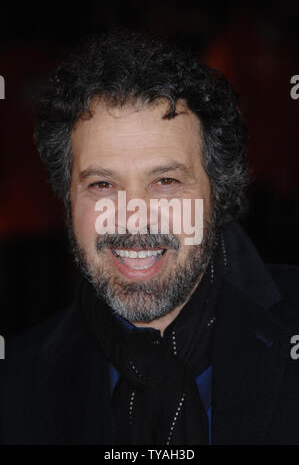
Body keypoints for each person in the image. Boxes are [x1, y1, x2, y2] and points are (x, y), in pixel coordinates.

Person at [1, 29, 299, 445]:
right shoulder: (15, 381)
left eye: (165, 180)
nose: (133, 219)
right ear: (66, 198)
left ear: (219, 192)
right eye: (103, 185)